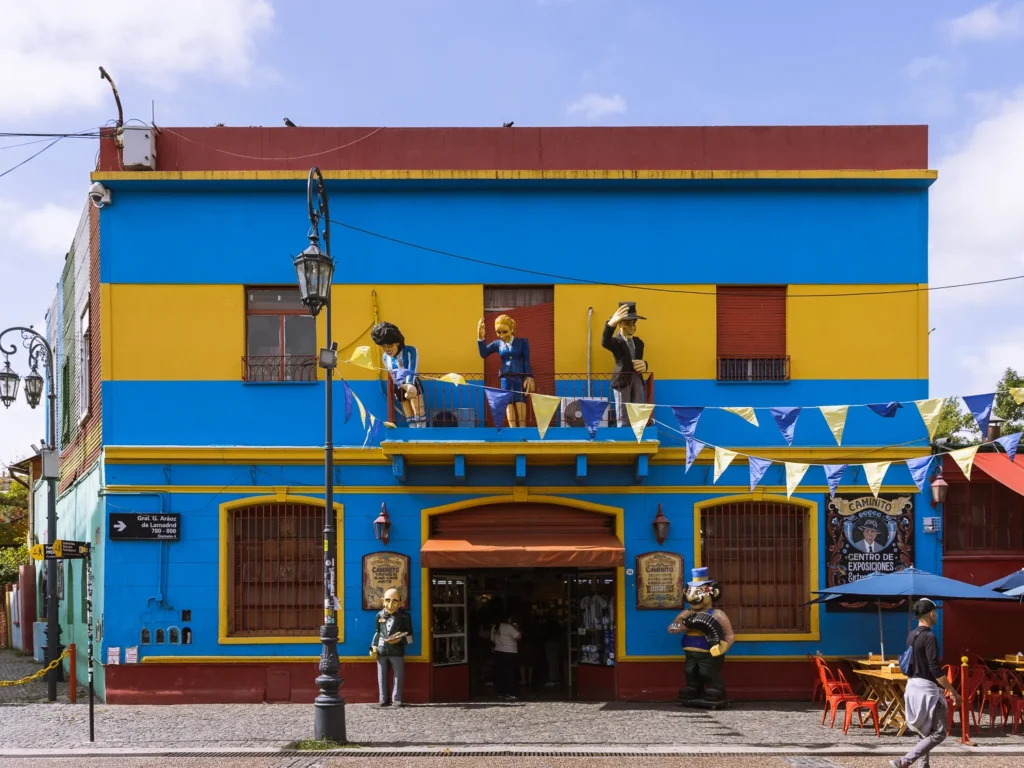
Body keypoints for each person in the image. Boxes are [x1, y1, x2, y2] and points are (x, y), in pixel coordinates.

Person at [890, 599, 961, 768]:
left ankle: (923, 766)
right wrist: (952, 691)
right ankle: (904, 761)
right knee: (939, 733)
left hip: (912, 686)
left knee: (924, 731)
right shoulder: (929, 637)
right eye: (935, 612)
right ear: (930, 614)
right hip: (926, 689)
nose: (936, 615)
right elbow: (935, 669)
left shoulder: (911, 635)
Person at [477, 314, 534, 427]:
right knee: (508, 403)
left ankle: (522, 432)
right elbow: (484, 353)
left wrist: (529, 376)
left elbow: (526, 361)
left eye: (504, 331)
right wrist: (480, 337)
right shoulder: (498, 344)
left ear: (511, 329)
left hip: (519, 377)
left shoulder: (522, 342)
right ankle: (512, 431)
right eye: (498, 332)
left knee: (520, 401)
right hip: (505, 378)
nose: (501, 335)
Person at [370, 321, 426, 427]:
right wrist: (398, 386)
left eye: (390, 346)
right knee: (407, 409)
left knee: (418, 408)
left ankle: (421, 430)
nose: (387, 349)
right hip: (398, 384)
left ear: (397, 342)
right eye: (384, 346)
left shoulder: (410, 350)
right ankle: (412, 429)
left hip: (411, 382)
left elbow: (412, 367)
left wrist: (409, 384)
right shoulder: (385, 357)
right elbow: (391, 372)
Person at [601, 302, 647, 426]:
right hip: (622, 380)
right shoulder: (616, 342)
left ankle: (639, 433)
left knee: (639, 410)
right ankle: (624, 435)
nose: (631, 327)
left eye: (634, 323)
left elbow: (640, 361)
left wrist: (644, 365)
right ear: (620, 323)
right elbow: (605, 342)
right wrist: (610, 325)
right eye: (627, 323)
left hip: (637, 378)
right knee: (623, 414)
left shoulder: (639, 343)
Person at [369, 588, 415, 707]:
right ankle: (383, 699)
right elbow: (377, 632)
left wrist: (400, 640)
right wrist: (373, 647)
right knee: (381, 676)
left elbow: (410, 636)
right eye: (388, 600)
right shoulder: (379, 615)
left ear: (400, 603)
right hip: (382, 650)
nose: (390, 604)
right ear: (382, 601)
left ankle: (396, 699)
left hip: (397, 651)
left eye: (395, 601)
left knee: (398, 675)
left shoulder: (405, 617)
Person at [491, 614, 522, 700]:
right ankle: (512, 692)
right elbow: (518, 636)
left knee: (501, 673)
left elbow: (492, 639)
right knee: (510, 673)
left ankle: (501, 692)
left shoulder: (495, 627)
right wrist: (516, 627)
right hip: (510, 652)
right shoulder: (508, 627)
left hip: (498, 651)